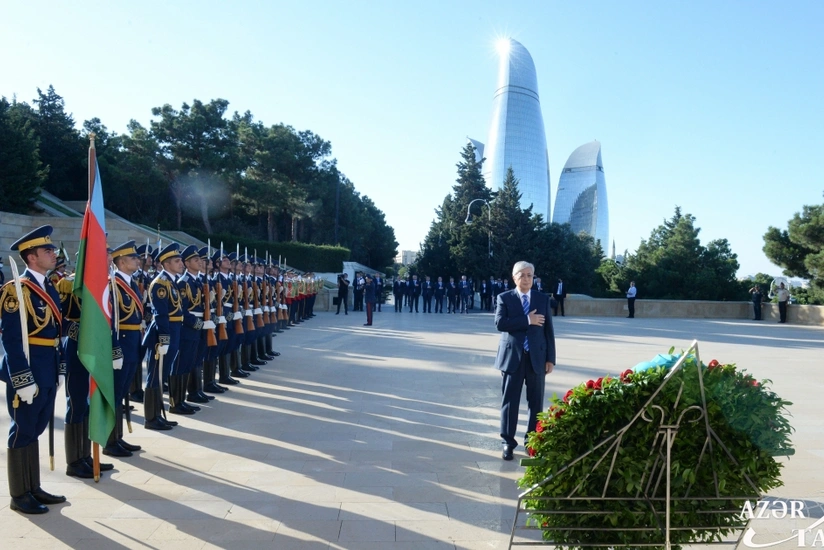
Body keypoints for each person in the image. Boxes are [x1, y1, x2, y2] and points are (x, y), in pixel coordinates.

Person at [1, 225, 68, 513]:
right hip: (28, 370)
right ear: (31, 257)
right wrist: (22, 378)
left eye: (52, 249)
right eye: (47, 250)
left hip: (47, 367)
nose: (53, 254)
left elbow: (56, 332)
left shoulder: (49, 285)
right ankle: (19, 495)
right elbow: (12, 339)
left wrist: (60, 366)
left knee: (36, 428)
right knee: (22, 429)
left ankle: (33, 486)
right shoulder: (15, 291)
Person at [494, 261, 555, 461]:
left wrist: (550, 359)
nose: (526, 279)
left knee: (536, 402)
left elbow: (548, 332)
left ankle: (532, 441)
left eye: (530, 275)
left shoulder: (542, 299)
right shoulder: (504, 298)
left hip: (537, 358)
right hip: (513, 358)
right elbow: (501, 323)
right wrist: (527, 320)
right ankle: (508, 443)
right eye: (522, 275)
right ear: (514, 278)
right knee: (510, 402)